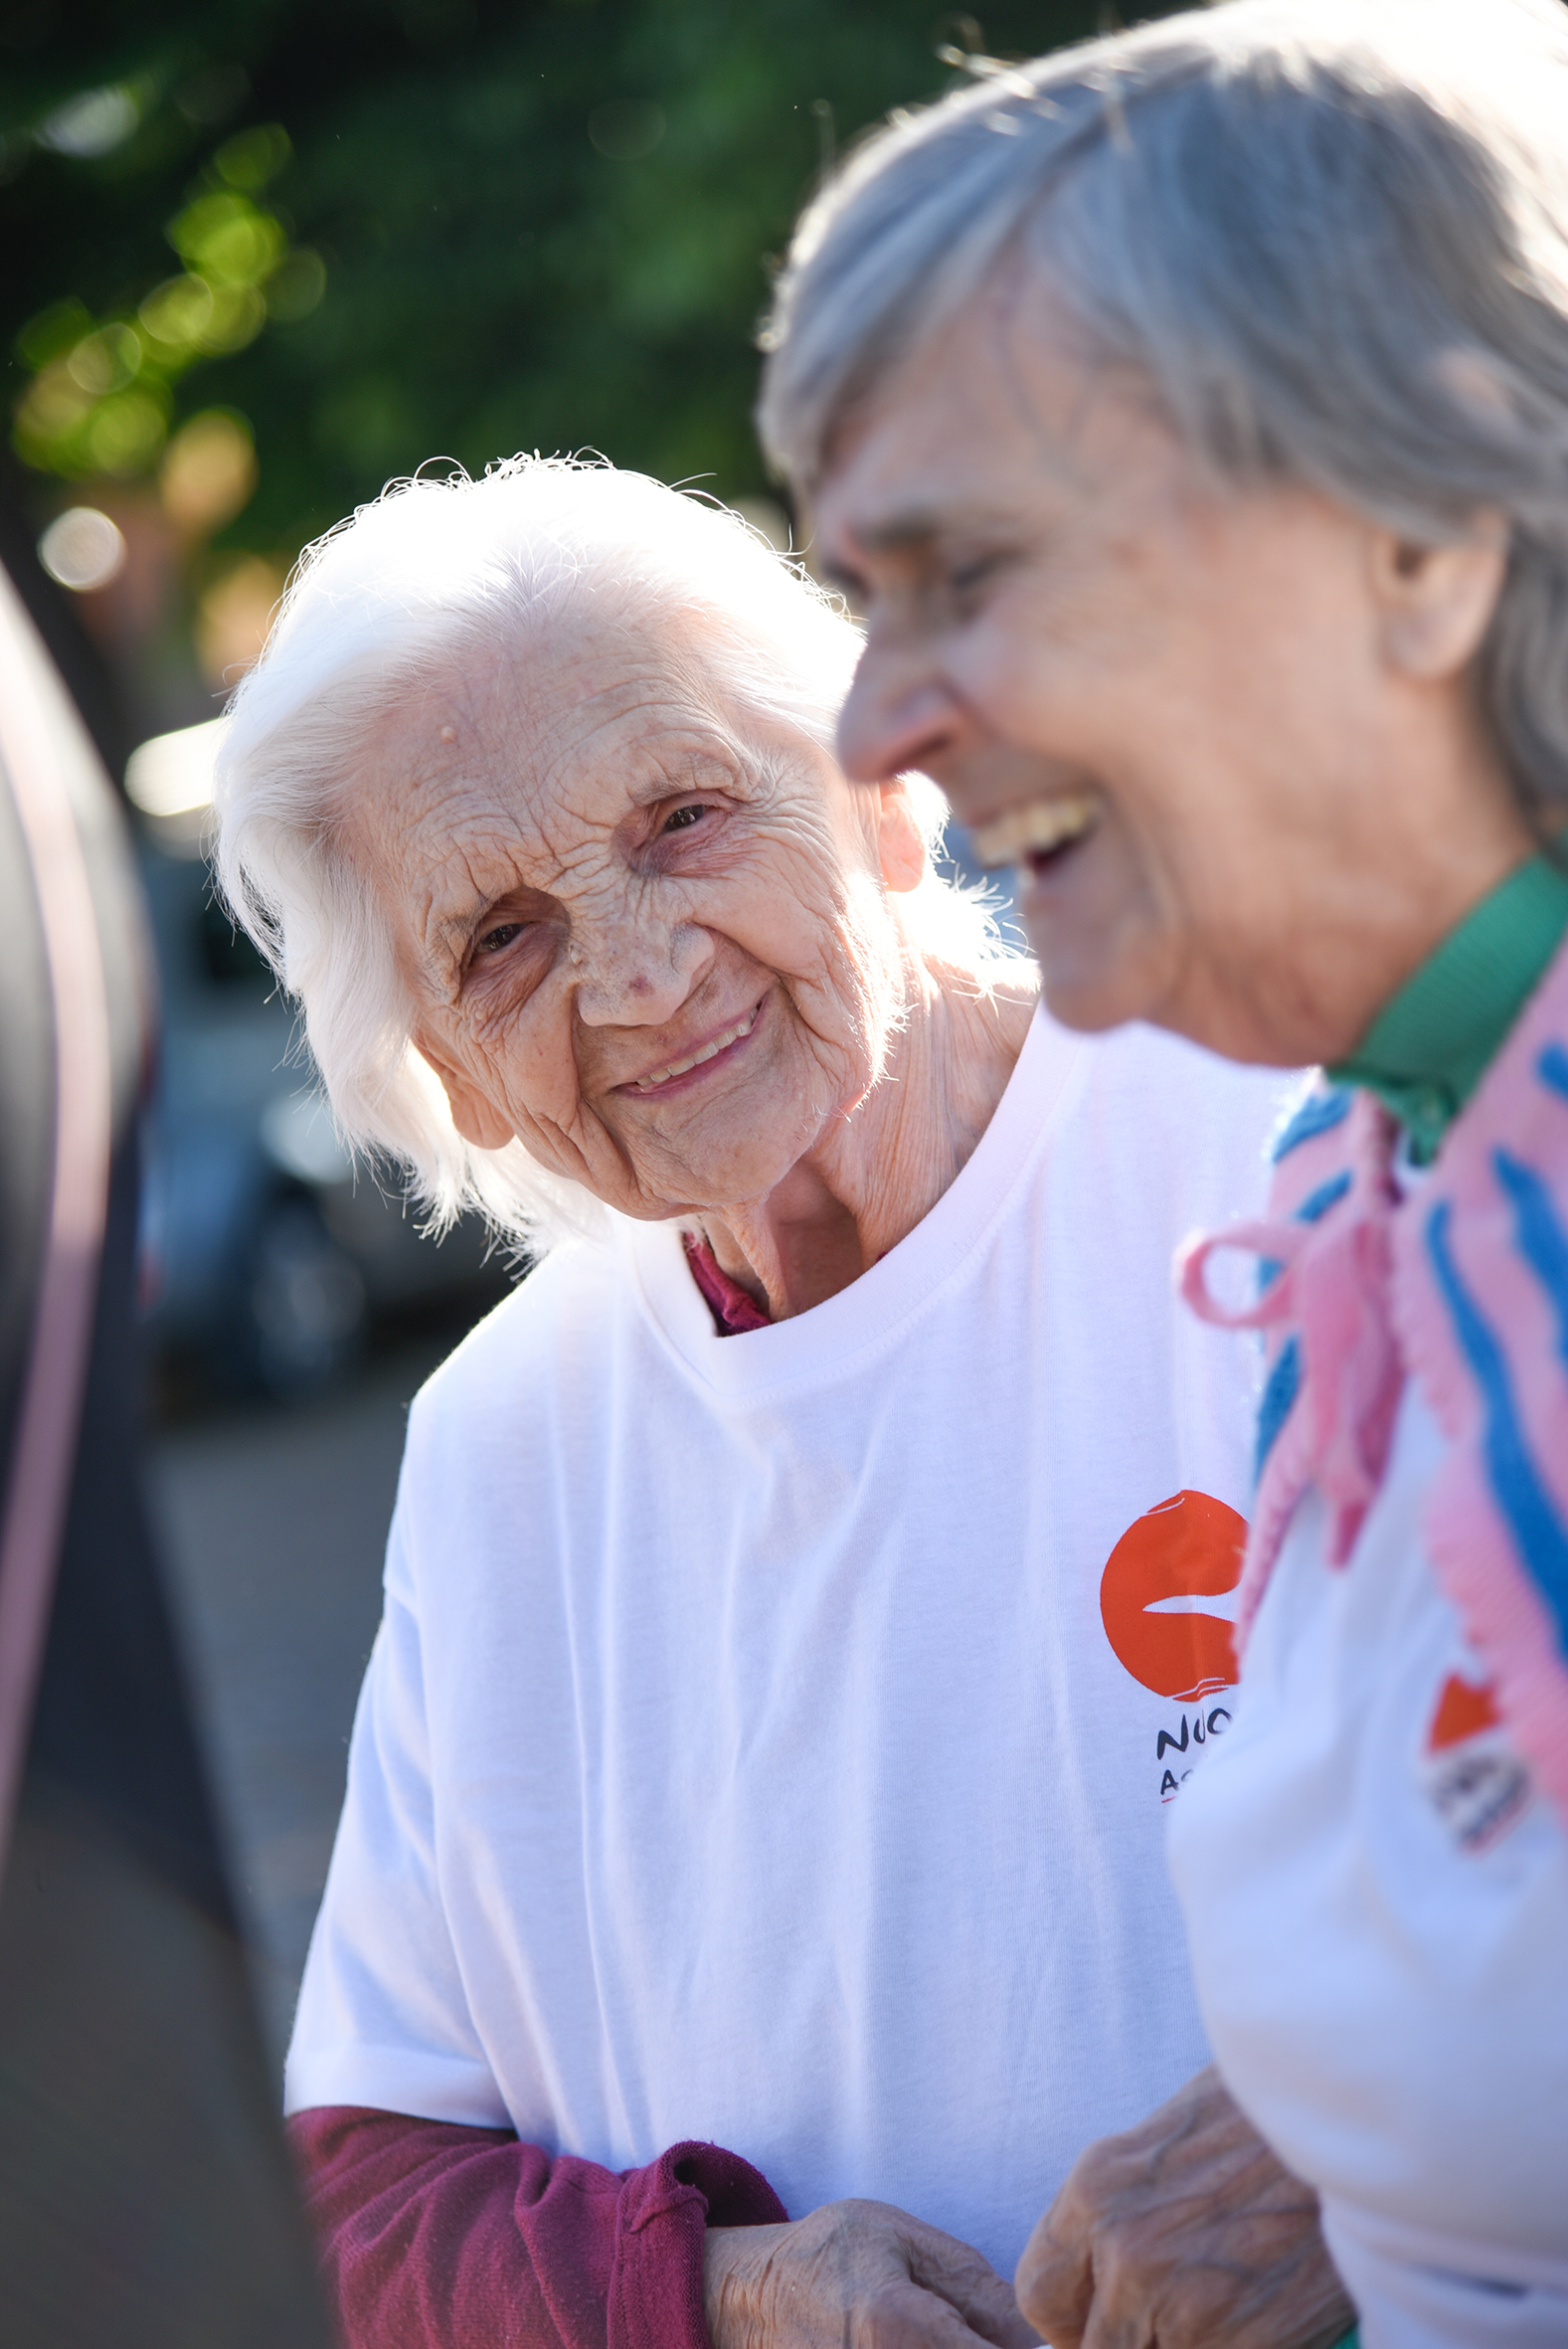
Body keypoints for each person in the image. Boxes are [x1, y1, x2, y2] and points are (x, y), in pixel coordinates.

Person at [211, 457, 1317, 2349]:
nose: (639, 976)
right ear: (448, 1070)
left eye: (683, 818)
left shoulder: (1310, 1174)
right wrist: (718, 2292)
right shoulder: (500, 1452)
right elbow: (362, 2197)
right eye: (500, 936)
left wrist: (1356, 2147)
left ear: (885, 790)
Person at [757, 3, 1568, 2344]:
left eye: (972, 568)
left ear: (1416, 544)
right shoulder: (1369, 1187)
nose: (873, 721)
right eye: (866, 592)